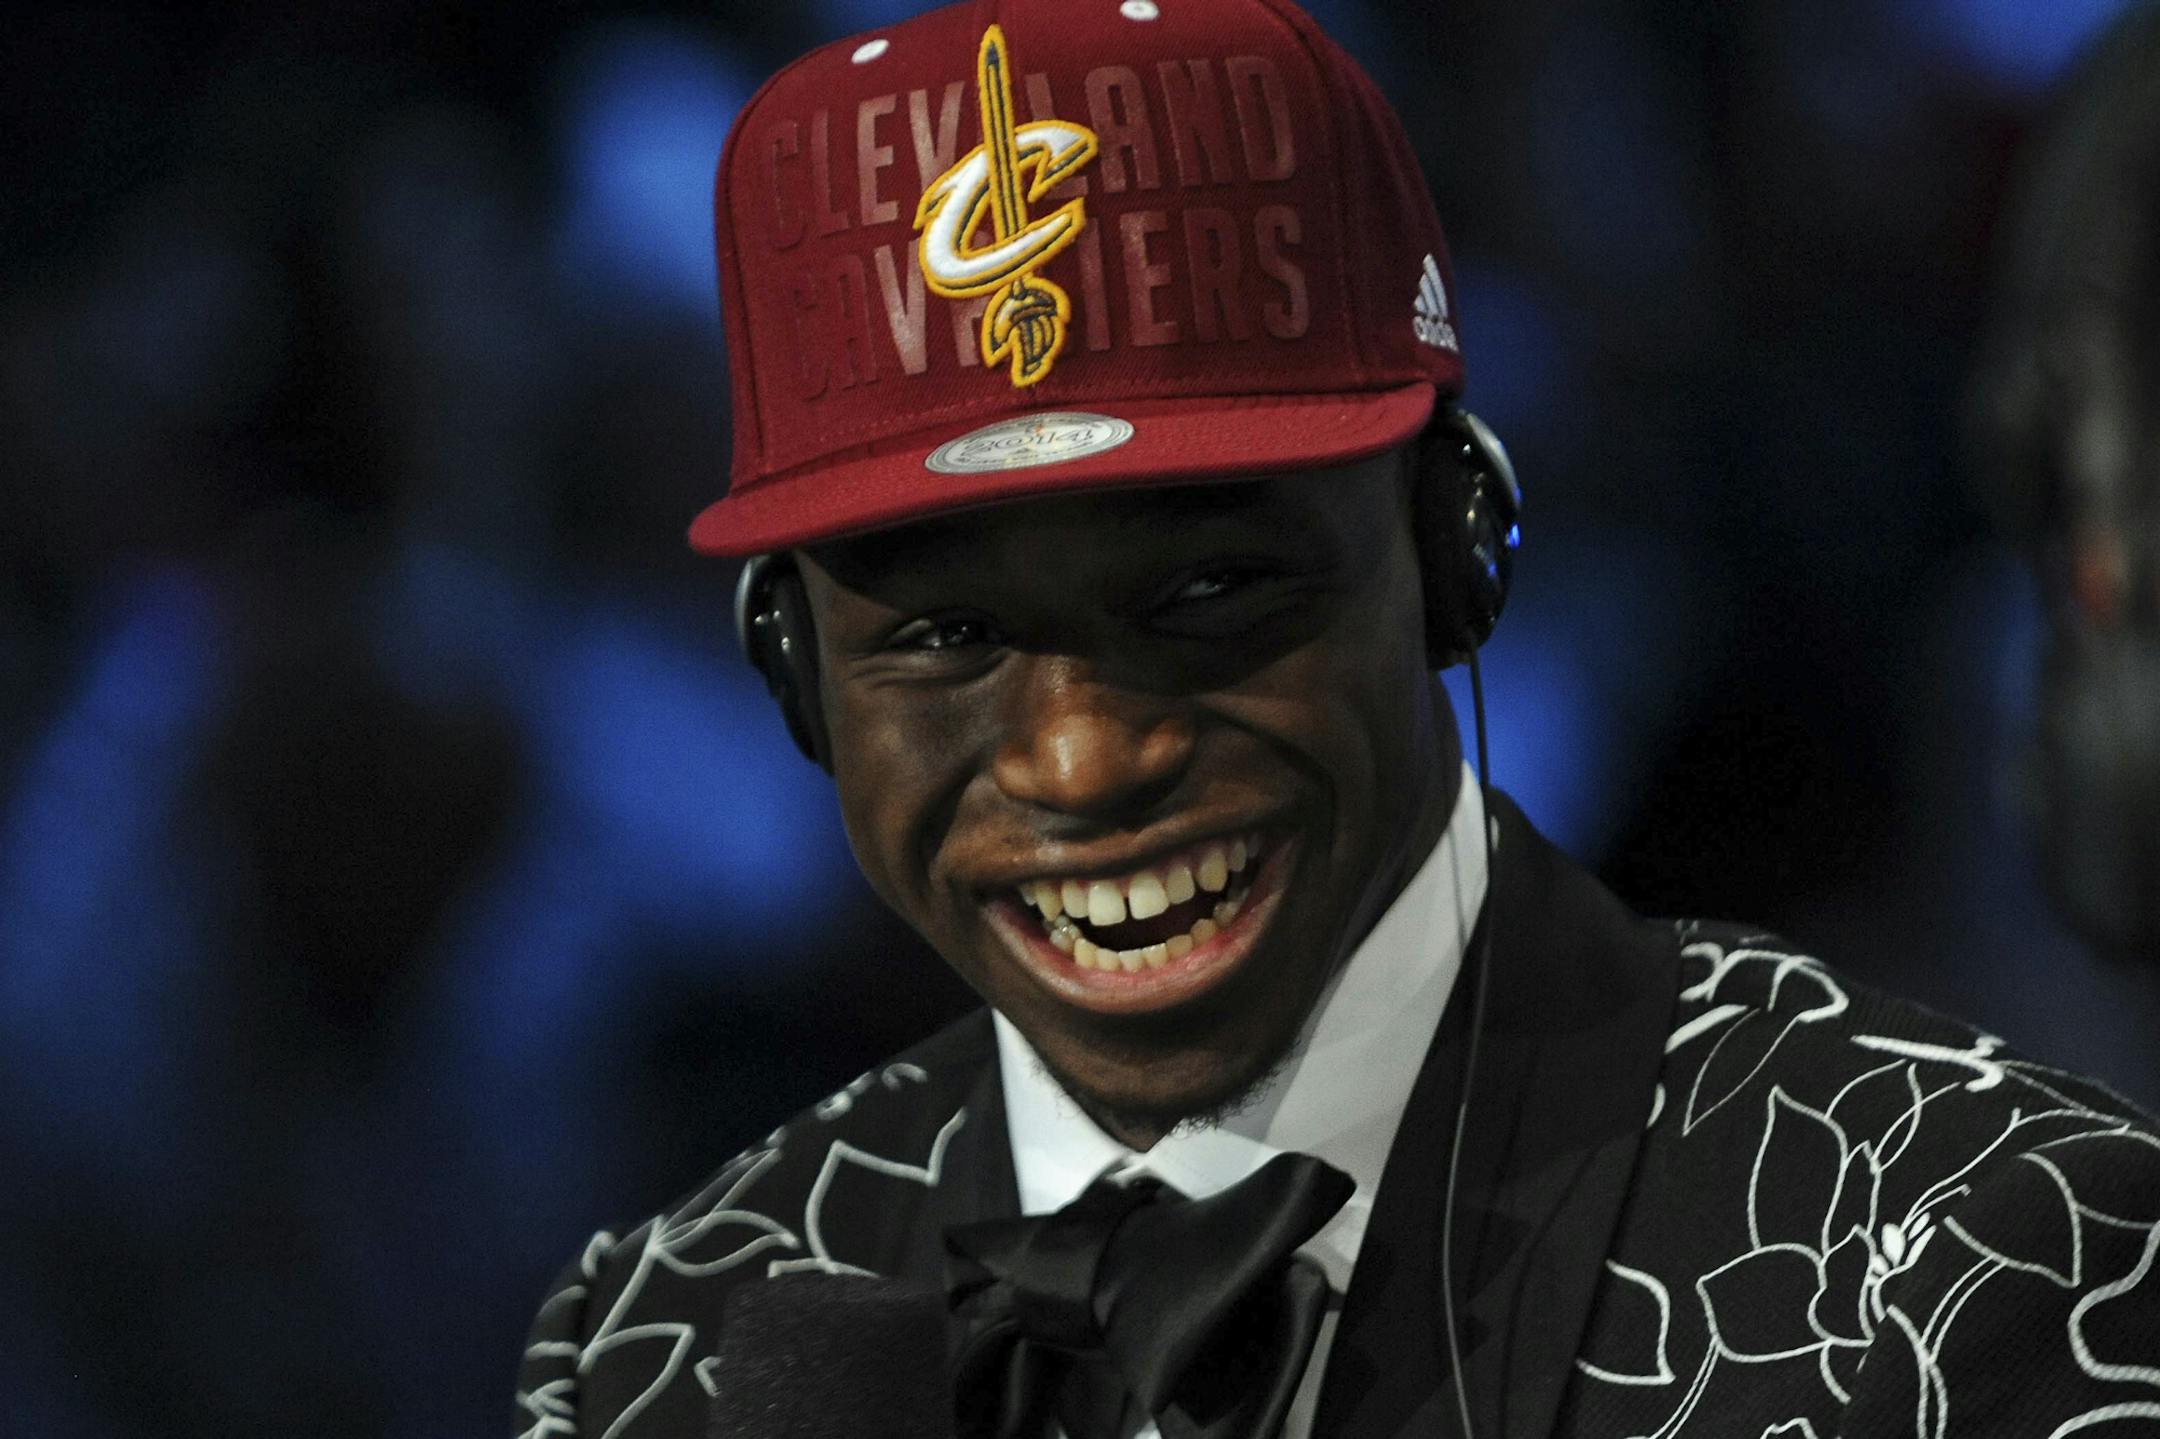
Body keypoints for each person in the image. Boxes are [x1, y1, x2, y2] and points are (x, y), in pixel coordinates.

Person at [519, 2, 2160, 1435]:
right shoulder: (659, 1342)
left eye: (1211, 600)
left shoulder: (1971, 1257)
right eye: (947, 637)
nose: (1083, 760)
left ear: (1458, 556)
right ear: (795, 674)